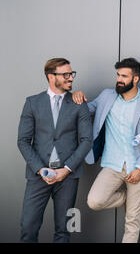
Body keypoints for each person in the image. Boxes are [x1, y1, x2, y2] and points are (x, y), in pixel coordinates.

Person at [72, 57, 140, 243]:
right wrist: (76, 96)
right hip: (112, 164)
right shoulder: (107, 96)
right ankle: (126, 199)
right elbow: (85, 111)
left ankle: (132, 203)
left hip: (138, 168)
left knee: (132, 221)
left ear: (135, 79)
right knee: (94, 201)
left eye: (124, 76)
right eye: (118, 75)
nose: (119, 79)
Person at [17, 58, 93, 242]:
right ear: (51, 77)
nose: (70, 78)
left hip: (68, 177)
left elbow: (86, 140)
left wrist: (66, 170)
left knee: (63, 231)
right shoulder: (32, 102)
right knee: (28, 227)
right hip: (38, 175)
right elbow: (23, 141)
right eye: (65, 75)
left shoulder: (79, 103)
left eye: (71, 74)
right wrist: (40, 169)